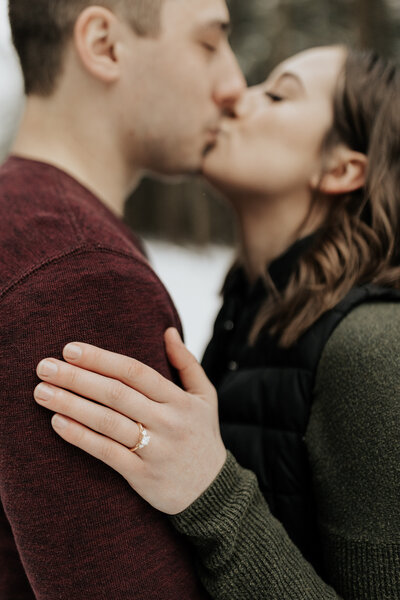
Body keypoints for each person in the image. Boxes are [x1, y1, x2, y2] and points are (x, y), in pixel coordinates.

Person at [34, 45, 400, 599]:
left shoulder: (372, 348)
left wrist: (210, 490)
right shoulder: (248, 313)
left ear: (342, 168)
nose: (234, 96)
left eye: (277, 94)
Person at [0, 1, 245, 598]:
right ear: (105, 45)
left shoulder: (25, 217)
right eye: (210, 44)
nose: (235, 85)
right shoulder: (81, 277)